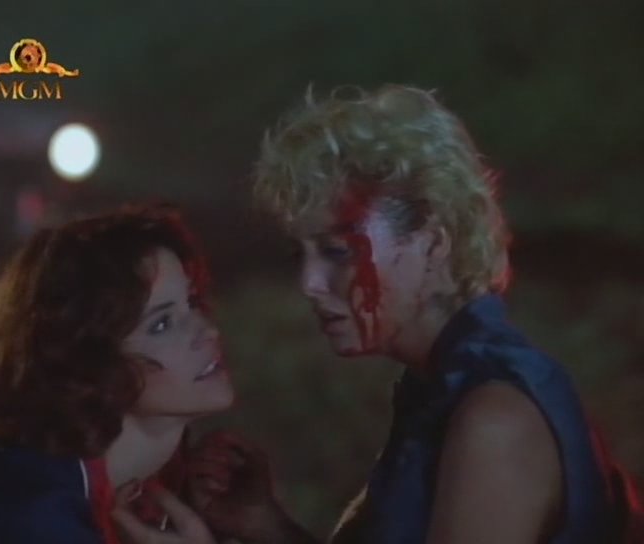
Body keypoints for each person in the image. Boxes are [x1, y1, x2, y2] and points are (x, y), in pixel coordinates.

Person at [186, 85, 644, 543]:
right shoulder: (439, 389)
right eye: (299, 255)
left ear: (433, 242)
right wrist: (267, 526)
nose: (309, 282)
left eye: (339, 251)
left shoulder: (495, 417)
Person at [0, 202, 233, 544]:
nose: (208, 331)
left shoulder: (169, 476)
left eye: (192, 302)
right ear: (87, 359)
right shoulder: (32, 514)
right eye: (162, 324)